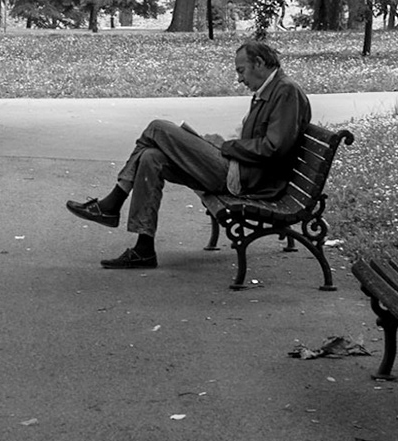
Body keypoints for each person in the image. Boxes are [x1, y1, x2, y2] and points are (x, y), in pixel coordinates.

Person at [64, 40, 310, 270]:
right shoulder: (270, 91)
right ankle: (144, 249)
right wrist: (222, 144)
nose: (239, 79)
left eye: (241, 70)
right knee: (151, 157)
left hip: (245, 178)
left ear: (259, 63)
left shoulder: (285, 92)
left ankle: (112, 203)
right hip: (239, 168)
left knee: (158, 127)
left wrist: (224, 146)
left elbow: (273, 148)